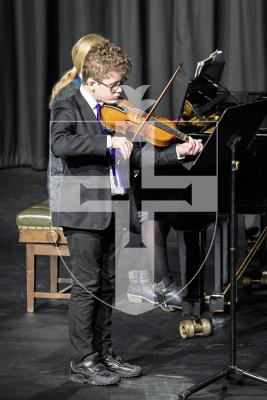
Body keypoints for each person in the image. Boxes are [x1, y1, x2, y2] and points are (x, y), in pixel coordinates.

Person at [50, 40, 203, 386]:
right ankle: (83, 361)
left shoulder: (115, 111)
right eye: (114, 84)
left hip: (116, 206)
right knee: (87, 287)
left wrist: (178, 153)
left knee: (107, 286)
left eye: (120, 83)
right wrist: (106, 142)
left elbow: (136, 158)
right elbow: (59, 143)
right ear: (91, 82)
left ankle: (103, 354)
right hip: (84, 211)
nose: (120, 90)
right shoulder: (68, 105)